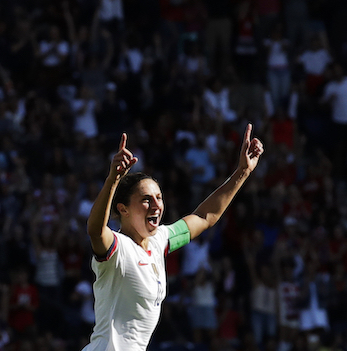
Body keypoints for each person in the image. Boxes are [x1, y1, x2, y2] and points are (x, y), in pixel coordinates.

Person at [83, 124, 264, 350]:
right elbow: (95, 230)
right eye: (146, 199)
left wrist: (242, 172)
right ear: (123, 209)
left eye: (159, 197)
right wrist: (112, 180)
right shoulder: (119, 248)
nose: (157, 205)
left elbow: (205, 217)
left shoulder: (159, 240)